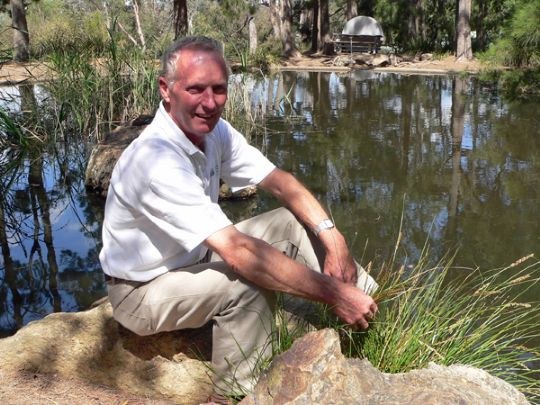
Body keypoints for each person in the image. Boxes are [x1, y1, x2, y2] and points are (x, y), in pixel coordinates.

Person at [99, 35, 378, 402]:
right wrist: (331, 294)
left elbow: (281, 183)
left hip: (194, 258)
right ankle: (233, 395)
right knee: (246, 281)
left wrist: (334, 239)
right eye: (196, 89)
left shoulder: (214, 132)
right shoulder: (156, 161)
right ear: (166, 89)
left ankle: (370, 314)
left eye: (219, 88)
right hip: (142, 290)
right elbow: (239, 252)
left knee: (292, 222)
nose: (210, 103)